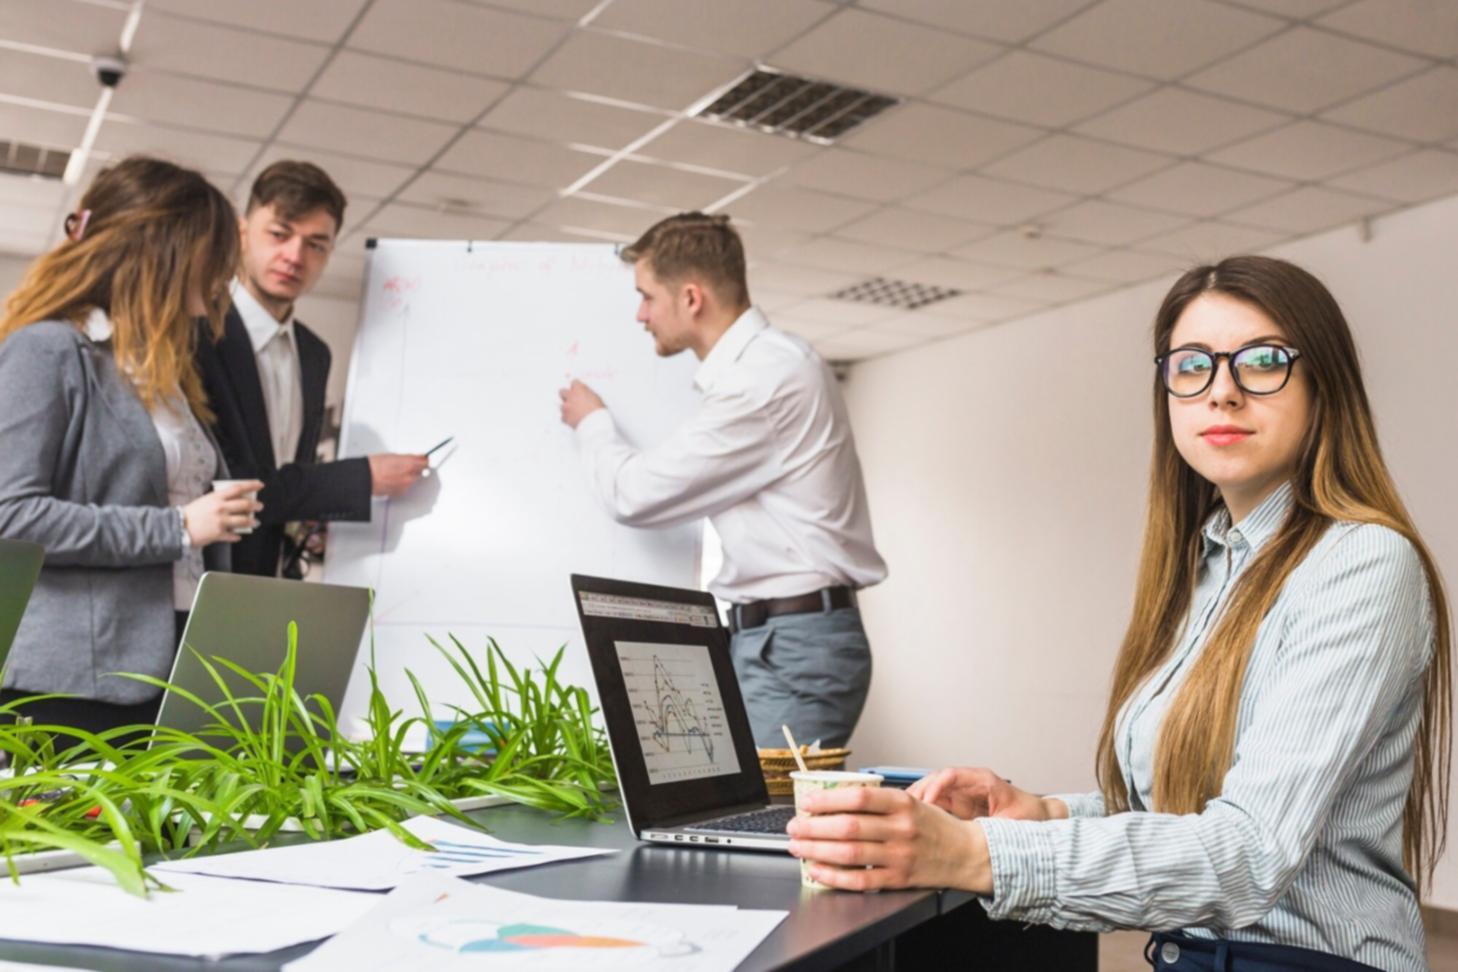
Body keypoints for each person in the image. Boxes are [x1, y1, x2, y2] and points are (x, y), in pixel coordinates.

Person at [784, 256, 1450, 972]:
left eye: (1262, 361)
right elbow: (1186, 812)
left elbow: (1247, 854)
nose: (1221, 393)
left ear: (1326, 385)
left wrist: (971, 853)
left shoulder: (1362, 564)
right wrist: (1045, 813)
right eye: (1192, 366)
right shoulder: (1209, 566)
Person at [558, 212, 888, 749]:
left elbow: (633, 495)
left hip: (791, 649)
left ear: (691, 298)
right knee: (736, 819)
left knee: (761, 824)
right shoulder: (767, 367)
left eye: (646, 296)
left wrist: (592, 421)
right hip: (773, 640)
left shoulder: (765, 381)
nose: (640, 314)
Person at [0, 156, 264, 735]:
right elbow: (12, 518)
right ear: (163, 250)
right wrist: (178, 528)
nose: (224, 272)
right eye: (213, 252)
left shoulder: (166, 373)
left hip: (175, 665)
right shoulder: (47, 352)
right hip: (71, 684)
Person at [194, 160, 427, 579]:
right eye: (280, 234)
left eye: (316, 244)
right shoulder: (199, 331)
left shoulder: (315, 353)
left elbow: (288, 477)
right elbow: (232, 483)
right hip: (206, 575)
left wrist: (310, 521)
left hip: (279, 579)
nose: (295, 256)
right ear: (244, 233)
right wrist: (361, 478)